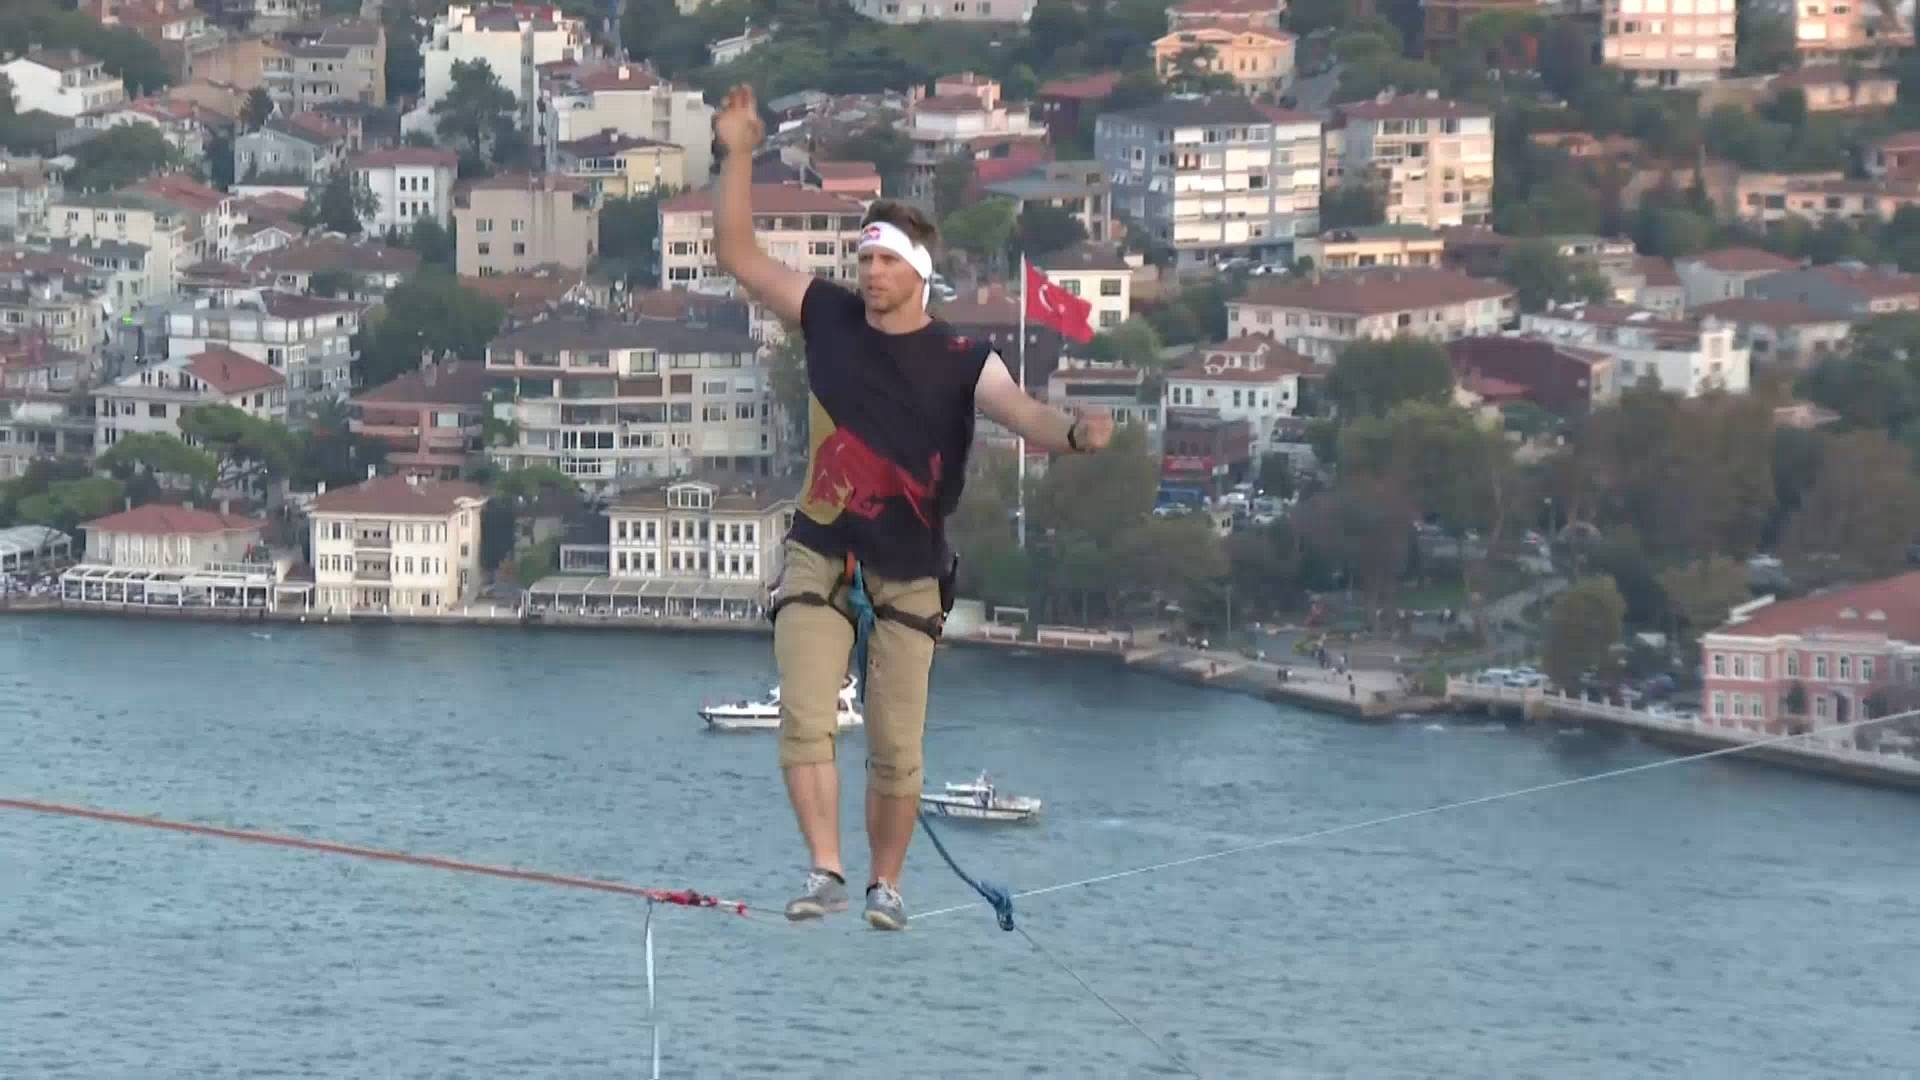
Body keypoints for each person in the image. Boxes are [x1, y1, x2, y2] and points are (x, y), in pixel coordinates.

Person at [710, 85, 1114, 930]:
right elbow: (740, 255)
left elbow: (1026, 415)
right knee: (805, 714)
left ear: (919, 272)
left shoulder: (965, 359)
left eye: (885, 259)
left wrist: (1075, 434)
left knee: (897, 749)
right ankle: (825, 869)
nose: (868, 270)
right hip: (822, 545)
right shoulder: (827, 317)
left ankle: (884, 885)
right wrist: (738, 152)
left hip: (912, 569)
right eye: (863, 257)